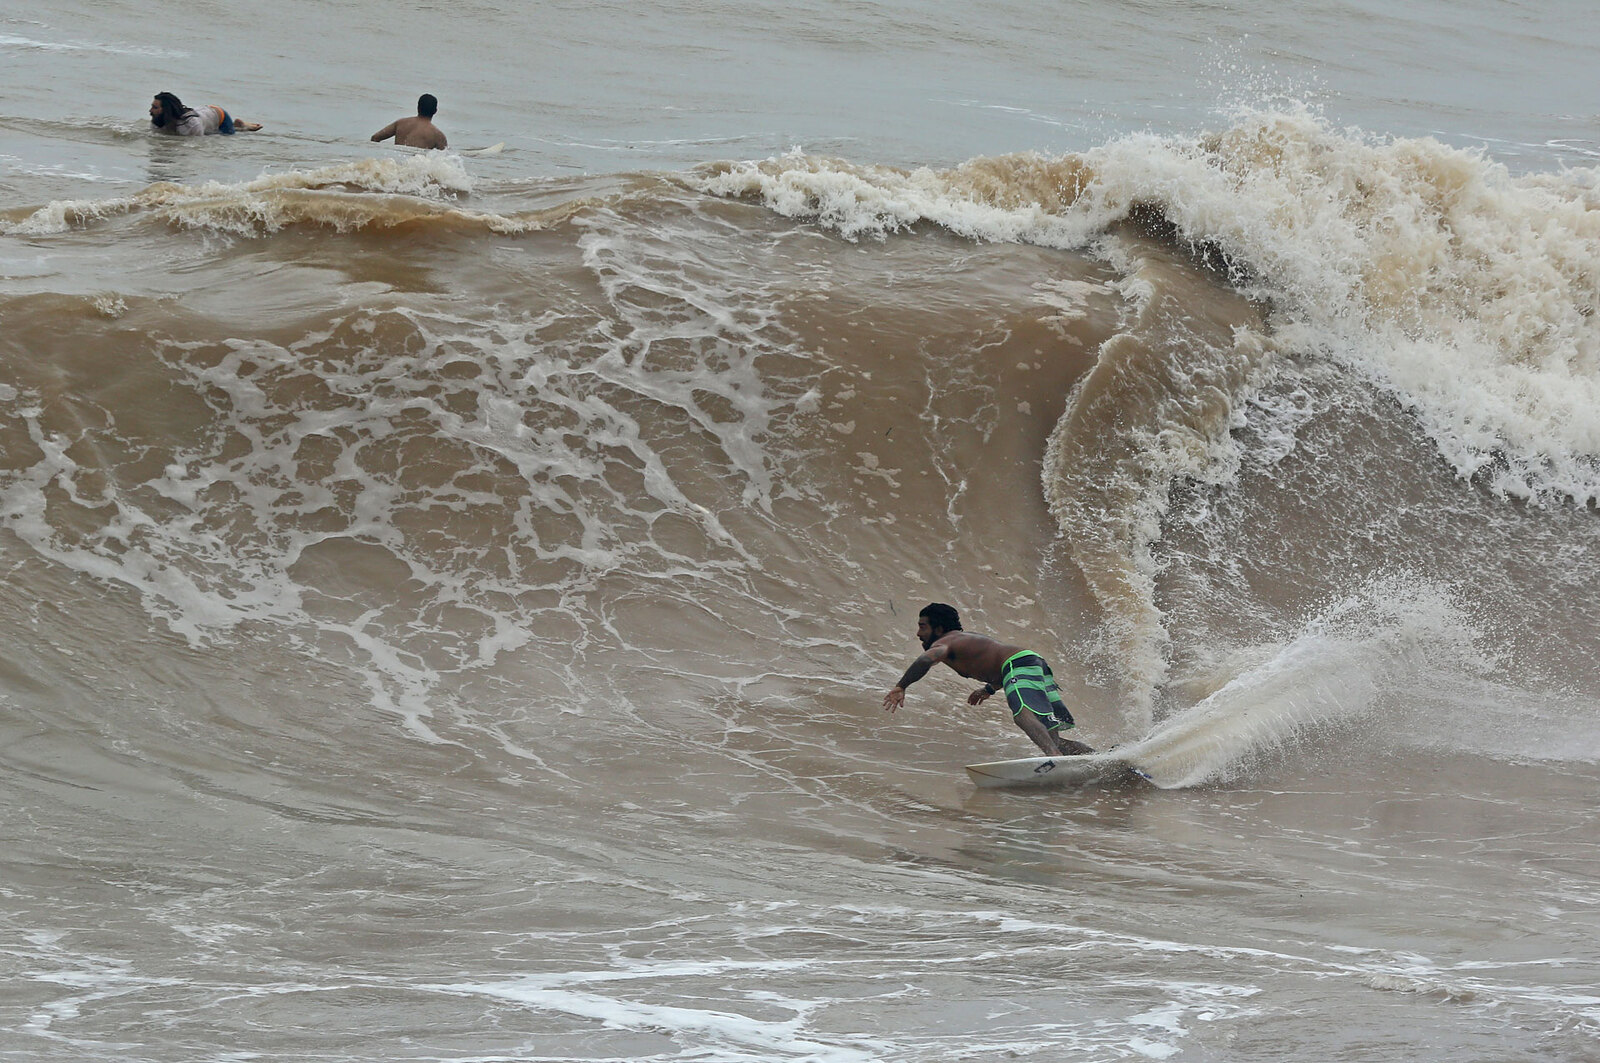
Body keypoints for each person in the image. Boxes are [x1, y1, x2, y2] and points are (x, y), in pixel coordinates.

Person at [882, 602, 1095, 758]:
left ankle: (1053, 757)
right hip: (1030, 663)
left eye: (922, 627)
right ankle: (1098, 759)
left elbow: (925, 660)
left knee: (1023, 717)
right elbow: (997, 667)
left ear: (938, 629)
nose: (918, 633)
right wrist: (989, 690)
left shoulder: (944, 643)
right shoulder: (962, 641)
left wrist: (901, 686)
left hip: (1018, 664)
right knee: (1052, 738)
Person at [149, 92, 262, 135]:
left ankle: (242, 127)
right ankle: (237, 126)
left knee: (223, 136)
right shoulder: (157, 119)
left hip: (220, 116)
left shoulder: (192, 125)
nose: (150, 111)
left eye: (154, 107)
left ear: (167, 110)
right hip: (205, 113)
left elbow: (199, 145)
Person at [371, 93, 448, 150]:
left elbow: (375, 138)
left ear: (418, 107)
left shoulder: (401, 123)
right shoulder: (438, 135)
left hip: (395, 164)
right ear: (435, 111)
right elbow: (446, 160)